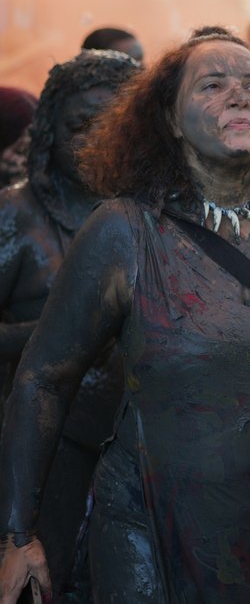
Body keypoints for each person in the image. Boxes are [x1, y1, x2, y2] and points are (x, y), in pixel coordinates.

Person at [0, 27, 250, 602]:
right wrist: (19, 535)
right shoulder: (125, 230)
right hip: (160, 539)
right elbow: (43, 377)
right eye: (212, 85)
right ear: (168, 118)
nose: (238, 96)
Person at [0, 51, 137, 592]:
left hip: (142, 448)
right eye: (78, 124)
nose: (95, 138)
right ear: (48, 132)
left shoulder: (159, 212)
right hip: (46, 452)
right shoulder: (16, 215)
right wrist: (59, 333)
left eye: (112, 123)